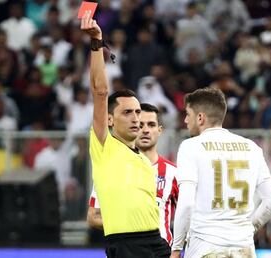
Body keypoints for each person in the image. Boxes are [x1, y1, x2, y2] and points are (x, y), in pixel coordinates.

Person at [80, 11, 170, 258]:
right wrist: (97, 43)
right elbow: (100, 91)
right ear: (109, 119)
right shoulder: (104, 145)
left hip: (157, 242)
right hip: (127, 246)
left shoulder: (142, 158)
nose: (135, 117)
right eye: (127, 112)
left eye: (138, 112)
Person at [170, 87, 271, 258]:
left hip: (206, 246)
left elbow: (186, 204)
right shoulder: (252, 148)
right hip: (244, 248)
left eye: (188, 114)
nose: (185, 120)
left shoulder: (190, 146)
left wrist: (176, 248)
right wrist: (248, 228)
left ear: (200, 118)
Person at [88, 103, 179, 246]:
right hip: (124, 251)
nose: (146, 130)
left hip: (161, 253)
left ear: (160, 130)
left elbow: (189, 215)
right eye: (141, 125)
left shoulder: (174, 173)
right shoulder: (111, 169)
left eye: (151, 125)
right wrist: (129, 227)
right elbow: (93, 216)